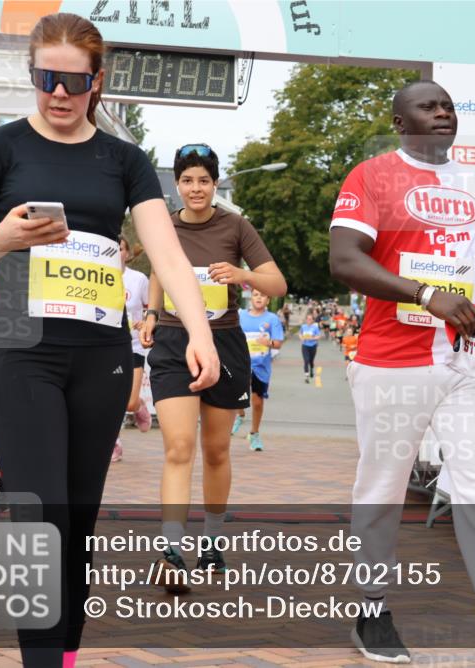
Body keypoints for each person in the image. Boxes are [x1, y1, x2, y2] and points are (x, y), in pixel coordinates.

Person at [0, 13, 220, 667]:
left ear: (98, 82)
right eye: (46, 79)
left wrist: (199, 330)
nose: (59, 94)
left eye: (74, 81)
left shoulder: (124, 160)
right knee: (40, 519)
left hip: (99, 356)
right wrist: (1, 239)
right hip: (17, 349)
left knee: (76, 527)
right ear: (31, 75)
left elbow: (167, 255)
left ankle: (61, 656)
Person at [328, 79, 475, 668]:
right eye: (428, 106)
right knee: (383, 488)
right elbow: (344, 259)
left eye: (447, 105)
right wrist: (426, 294)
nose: (442, 112)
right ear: (401, 122)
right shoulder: (371, 176)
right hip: (392, 359)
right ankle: (371, 611)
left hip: (469, 357)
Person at [140, 142, 286, 585]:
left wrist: (242, 275)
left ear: (215, 183)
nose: (196, 188)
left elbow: (277, 283)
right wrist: (150, 313)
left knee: (216, 450)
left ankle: (212, 544)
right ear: (177, 184)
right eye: (187, 180)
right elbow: (157, 273)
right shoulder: (163, 226)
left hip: (224, 344)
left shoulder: (236, 226)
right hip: (172, 342)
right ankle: (171, 551)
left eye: (204, 180)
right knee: (178, 447)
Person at [112, 235, 153, 463]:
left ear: (127, 253)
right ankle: (114, 443)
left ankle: (138, 405)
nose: (117, 252)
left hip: (133, 346)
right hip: (105, 347)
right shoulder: (96, 276)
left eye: (120, 248)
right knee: (108, 398)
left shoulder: (138, 280)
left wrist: (145, 322)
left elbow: (150, 309)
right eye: (113, 248)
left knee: (128, 401)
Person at [235, 288, 285, 451]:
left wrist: (268, 343)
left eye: (262, 296)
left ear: (268, 300)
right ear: (251, 298)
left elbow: (278, 343)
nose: (258, 298)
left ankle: (254, 433)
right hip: (241, 364)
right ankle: (240, 414)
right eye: (256, 295)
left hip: (261, 367)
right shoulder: (241, 316)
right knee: (237, 394)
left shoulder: (272, 319)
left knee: (257, 402)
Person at [299, 312, 320, 382]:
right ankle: (306, 376)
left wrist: (313, 338)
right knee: (306, 360)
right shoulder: (303, 326)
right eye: (307, 319)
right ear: (306, 319)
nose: (309, 320)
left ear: (312, 320)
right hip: (305, 346)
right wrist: (301, 338)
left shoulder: (315, 327)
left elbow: (318, 336)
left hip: (313, 346)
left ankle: (311, 369)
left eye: (310, 319)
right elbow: (300, 334)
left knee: (311, 361)